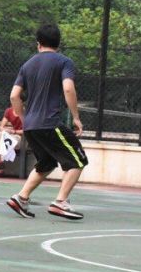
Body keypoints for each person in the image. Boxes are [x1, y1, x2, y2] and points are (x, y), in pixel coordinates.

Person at [6, 23, 88, 220]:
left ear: (38, 44)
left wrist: (24, 118)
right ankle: (60, 202)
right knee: (78, 160)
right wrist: (76, 117)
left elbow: (14, 96)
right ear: (58, 43)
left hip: (31, 126)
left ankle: (21, 198)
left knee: (47, 162)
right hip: (49, 123)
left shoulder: (27, 65)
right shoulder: (64, 62)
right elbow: (68, 88)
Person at [0, 106, 24, 178]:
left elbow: (27, 130)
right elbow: (1, 127)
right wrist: (5, 130)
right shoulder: (9, 111)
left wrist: (13, 131)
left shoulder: (26, 112)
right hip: (9, 136)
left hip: (20, 138)